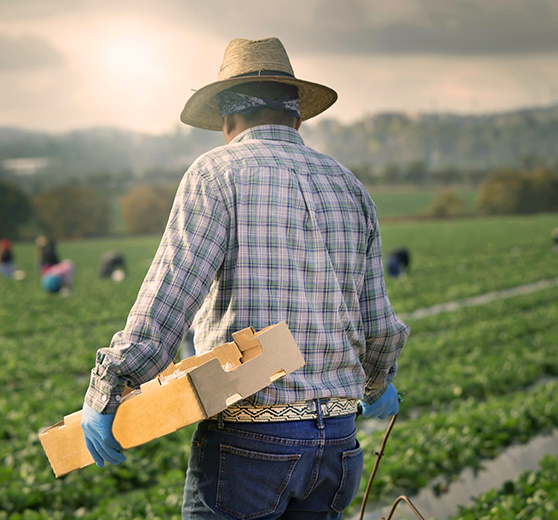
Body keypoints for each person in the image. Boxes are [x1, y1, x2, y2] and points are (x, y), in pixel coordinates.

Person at [80, 37, 409, 519]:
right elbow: (379, 324)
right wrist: (378, 385)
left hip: (249, 438)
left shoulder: (216, 174)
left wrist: (109, 388)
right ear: (297, 117)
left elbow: (169, 300)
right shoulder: (348, 184)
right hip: (338, 442)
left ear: (228, 121)